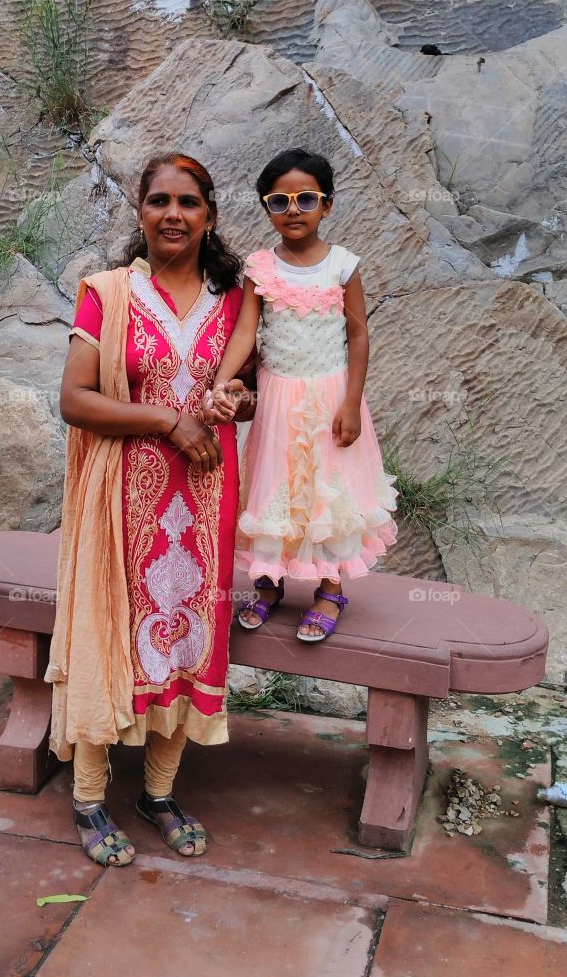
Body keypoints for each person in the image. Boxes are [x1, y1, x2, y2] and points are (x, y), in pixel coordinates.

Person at [43, 152, 255, 868]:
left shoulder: (235, 302)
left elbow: (248, 388)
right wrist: (166, 420)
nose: (173, 213)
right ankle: (90, 798)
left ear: (210, 216)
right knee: (112, 634)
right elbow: (74, 400)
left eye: (189, 202)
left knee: (187, 638)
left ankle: (157, 794)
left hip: (204, 501)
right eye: (159, 200)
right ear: (140, 213)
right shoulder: (107, 292)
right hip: (121, 501)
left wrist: (237, 399)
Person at [206, 147, 398, 641]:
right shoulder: (260, 268)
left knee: (329, 491)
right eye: (279, 201)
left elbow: (358, 335)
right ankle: (268, 584)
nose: (293, 210)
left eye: (306, 199)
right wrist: (222, 382)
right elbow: (246, 332)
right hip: (277, 400)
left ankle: (329, 589)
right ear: (267, 207)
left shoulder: (343, 266)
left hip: (331, 395)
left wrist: (352, 401)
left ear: (327, 205)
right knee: (276, 487)